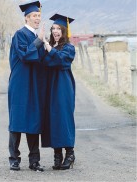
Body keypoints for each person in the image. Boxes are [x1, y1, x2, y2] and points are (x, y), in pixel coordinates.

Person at [8, 0, 47, 172]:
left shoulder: (37, 37)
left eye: (39, 16)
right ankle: (14, 159)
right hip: (20, 84)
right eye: (34, 16)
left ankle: (34, 161)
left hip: (34, 84)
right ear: (26, 18)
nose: (37, 19)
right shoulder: (20, 35)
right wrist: (39, 42)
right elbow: (25, 55)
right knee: (17, 121)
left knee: (33, 121)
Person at [40, 13, 76, 170]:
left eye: (58, 28)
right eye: (53, 28)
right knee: (52, 118)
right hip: (50, 87)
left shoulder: (69, 48)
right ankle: (57, 155)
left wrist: (48, 47)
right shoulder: (49, 48)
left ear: (64, 31)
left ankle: (69, 154)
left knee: (63, 117)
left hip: (63, 87)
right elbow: (45, 63)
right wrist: (47, 48)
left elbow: (61, 60)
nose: (55, 31)